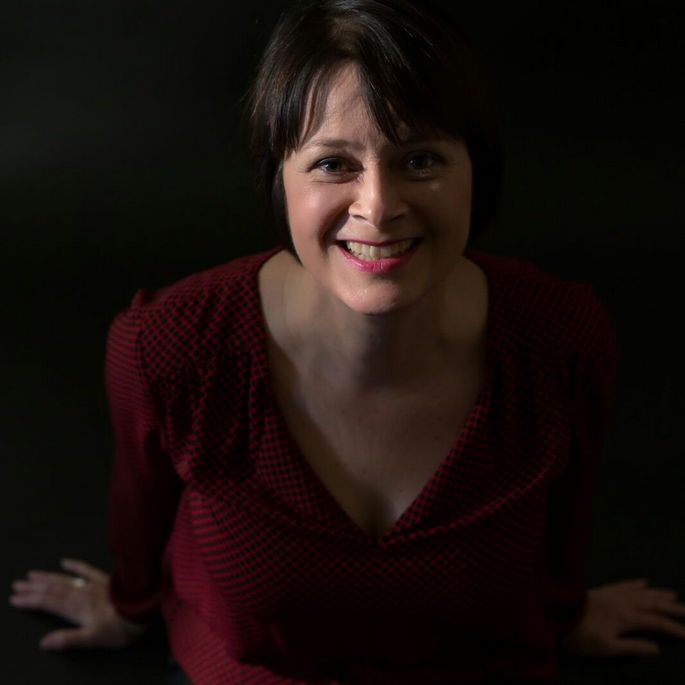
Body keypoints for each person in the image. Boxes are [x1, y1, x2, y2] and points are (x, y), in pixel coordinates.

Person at [9, 0, 685, 683]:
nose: (378, 206)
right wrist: (129, 605)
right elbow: (140, 507)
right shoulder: (170, 349)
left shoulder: (562, 341)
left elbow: (566, 519)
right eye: (334, 163)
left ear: (474, 172)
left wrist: (567, 612)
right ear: (279, 178)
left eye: (419, 158)